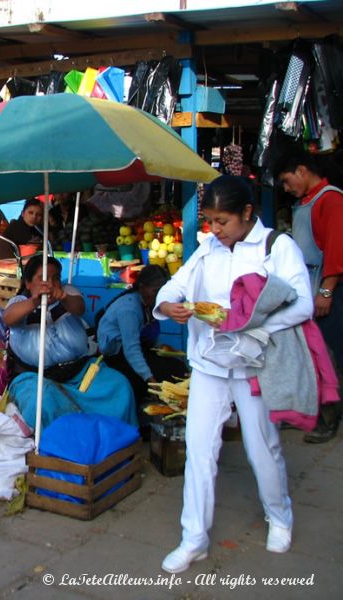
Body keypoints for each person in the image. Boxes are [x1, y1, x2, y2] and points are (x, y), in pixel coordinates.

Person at [154, 175, 313, 573]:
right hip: (210, 364)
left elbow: (303, 304)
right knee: (200, 451)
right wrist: (168, 303)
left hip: (253, 366)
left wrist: (252, 326)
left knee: (263, 447)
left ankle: (280, 517)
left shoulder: (277, 247)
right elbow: (175, 286)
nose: (215, 229)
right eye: (210, 221)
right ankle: (194, 538)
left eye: (222, 221)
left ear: (247, 213)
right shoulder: (208, 249)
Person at [4, 254, 137, 431]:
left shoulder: (68, 292)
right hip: (36, 376)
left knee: (119, 386)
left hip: (79, 371)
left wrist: (63, 296)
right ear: (28, 283)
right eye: (43, 279)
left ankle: (113, 442)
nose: (50, 283)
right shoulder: (20, 301)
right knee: (42, 402)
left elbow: (79, 308)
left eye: (56, 278)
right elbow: (8, 318)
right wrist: (35, 301)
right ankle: (55, 451)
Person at [275, 150, 343, 444]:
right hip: (310, 288)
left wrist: (326, 292)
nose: (287, 188)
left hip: (327, 290)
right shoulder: (305, 202)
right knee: (309, 356)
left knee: (329, 357)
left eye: (287, 181)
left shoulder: (331, 199)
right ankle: (309, 412)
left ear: (302, 170)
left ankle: (329, 420)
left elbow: (337, 250)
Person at [98, 265, 188, 403]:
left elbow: (153, 339)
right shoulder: (129, 309)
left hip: (138, 348)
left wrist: (165, 351)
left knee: (177, 366)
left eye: (162, 291)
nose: (159, 296)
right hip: (116, 353)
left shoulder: (150, 305)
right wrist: (150, 380)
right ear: (142, 287)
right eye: (155, 291)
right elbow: (131, 349)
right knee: (161, 375)